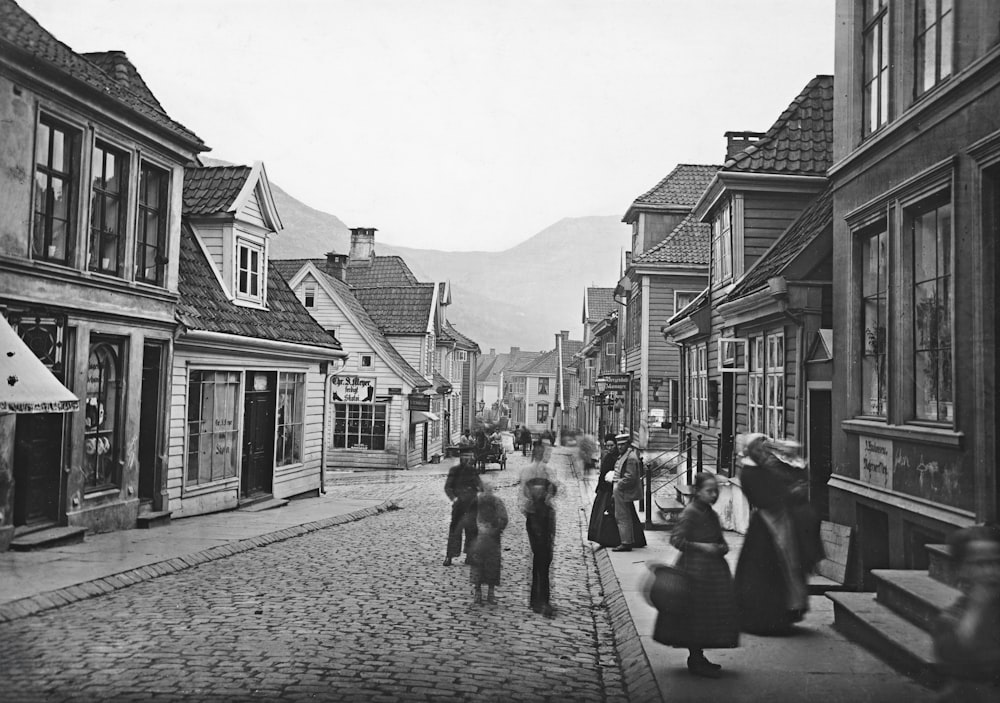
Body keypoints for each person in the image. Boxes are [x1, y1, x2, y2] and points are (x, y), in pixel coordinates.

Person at [733, 434, 822, 634]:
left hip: (780, 520)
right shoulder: (749, 472)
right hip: (766, 524)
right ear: (749, 450)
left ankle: (784, 615)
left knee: (787, 566)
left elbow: (789, 477)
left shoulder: (767, 465)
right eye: (758, 448)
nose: (762, 452)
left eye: (764, 448)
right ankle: (762, 619)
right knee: (766, 571)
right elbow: (763, 497)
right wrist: (790, 493)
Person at [656, 472, 739, 677]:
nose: (713, 495)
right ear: (697, 491)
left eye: (715, 491)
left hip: (712, 574)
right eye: (708, 491)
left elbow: (721, 541)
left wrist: (721, 548)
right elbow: (677, 540)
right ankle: (695, 658)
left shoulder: (710, 513)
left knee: (707, 616)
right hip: (694, 571)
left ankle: (699, 656)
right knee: (695, 616)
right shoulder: (691, 512)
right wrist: (703, 548)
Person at [933, 525, 1000, 702]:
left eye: (996, 562)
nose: (991, 572)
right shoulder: (951, 620)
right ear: (962, 570)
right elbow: (960, 662)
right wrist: (978, 609)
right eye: (980, 564)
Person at [520, 441, 558, 617]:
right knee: (543, 556)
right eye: (544, 452)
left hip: (541, 516)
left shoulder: (546, 471)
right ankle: (542, 600)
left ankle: (538, 599)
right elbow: (523, 495)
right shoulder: (532, 471)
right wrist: (534, 506)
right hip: (538, 516)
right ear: (538, 453)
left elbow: (554, 490)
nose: (546, 455)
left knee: (543, 557)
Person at [468, 481, 509, 606]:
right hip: (480, 538)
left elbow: (503, 518)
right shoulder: (476, 502)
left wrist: (495, 529)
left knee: (492, 565)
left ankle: (490, 592)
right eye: (486, 490)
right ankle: (478, 592)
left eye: (489, 490)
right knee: (478, 565)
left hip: (492, 538)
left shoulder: (496, 502)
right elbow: (469, 518)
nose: (487, 493)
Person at [443, 447, 482, 566]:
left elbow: (480, 486)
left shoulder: (473, 471)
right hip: (459, 505)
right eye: (464, 457)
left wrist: (479, 493)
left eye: (468, 457)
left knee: (472, 531)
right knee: (455, 530)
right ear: (460, 458)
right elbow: (448, 487)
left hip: (471, 504)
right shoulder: (454, 470)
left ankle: (470, 556)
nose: (466, 459)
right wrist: (454, 498)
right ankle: (449, 556)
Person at [610, 433, 645, 552]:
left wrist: (618, 485)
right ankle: (626, 541)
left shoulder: (630, 458)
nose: (620, 447)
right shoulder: (625, 455)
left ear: (627, 444)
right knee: (623, 516)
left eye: (622, 445)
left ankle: (626, 543)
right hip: (621, 490)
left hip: (623, 491)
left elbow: (630, 477)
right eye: (618, 445)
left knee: (622, 516)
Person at [588, 434, 621, 547]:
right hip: (604, 488)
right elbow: (602, 474)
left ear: (616, 445)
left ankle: (611, 539)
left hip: (612, 489)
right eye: (607, 446)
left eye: (612, 445)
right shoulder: (607, 456)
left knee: (610, 514)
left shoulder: (617, 457)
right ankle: (602, 537)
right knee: (601, 514)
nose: (609, 448)